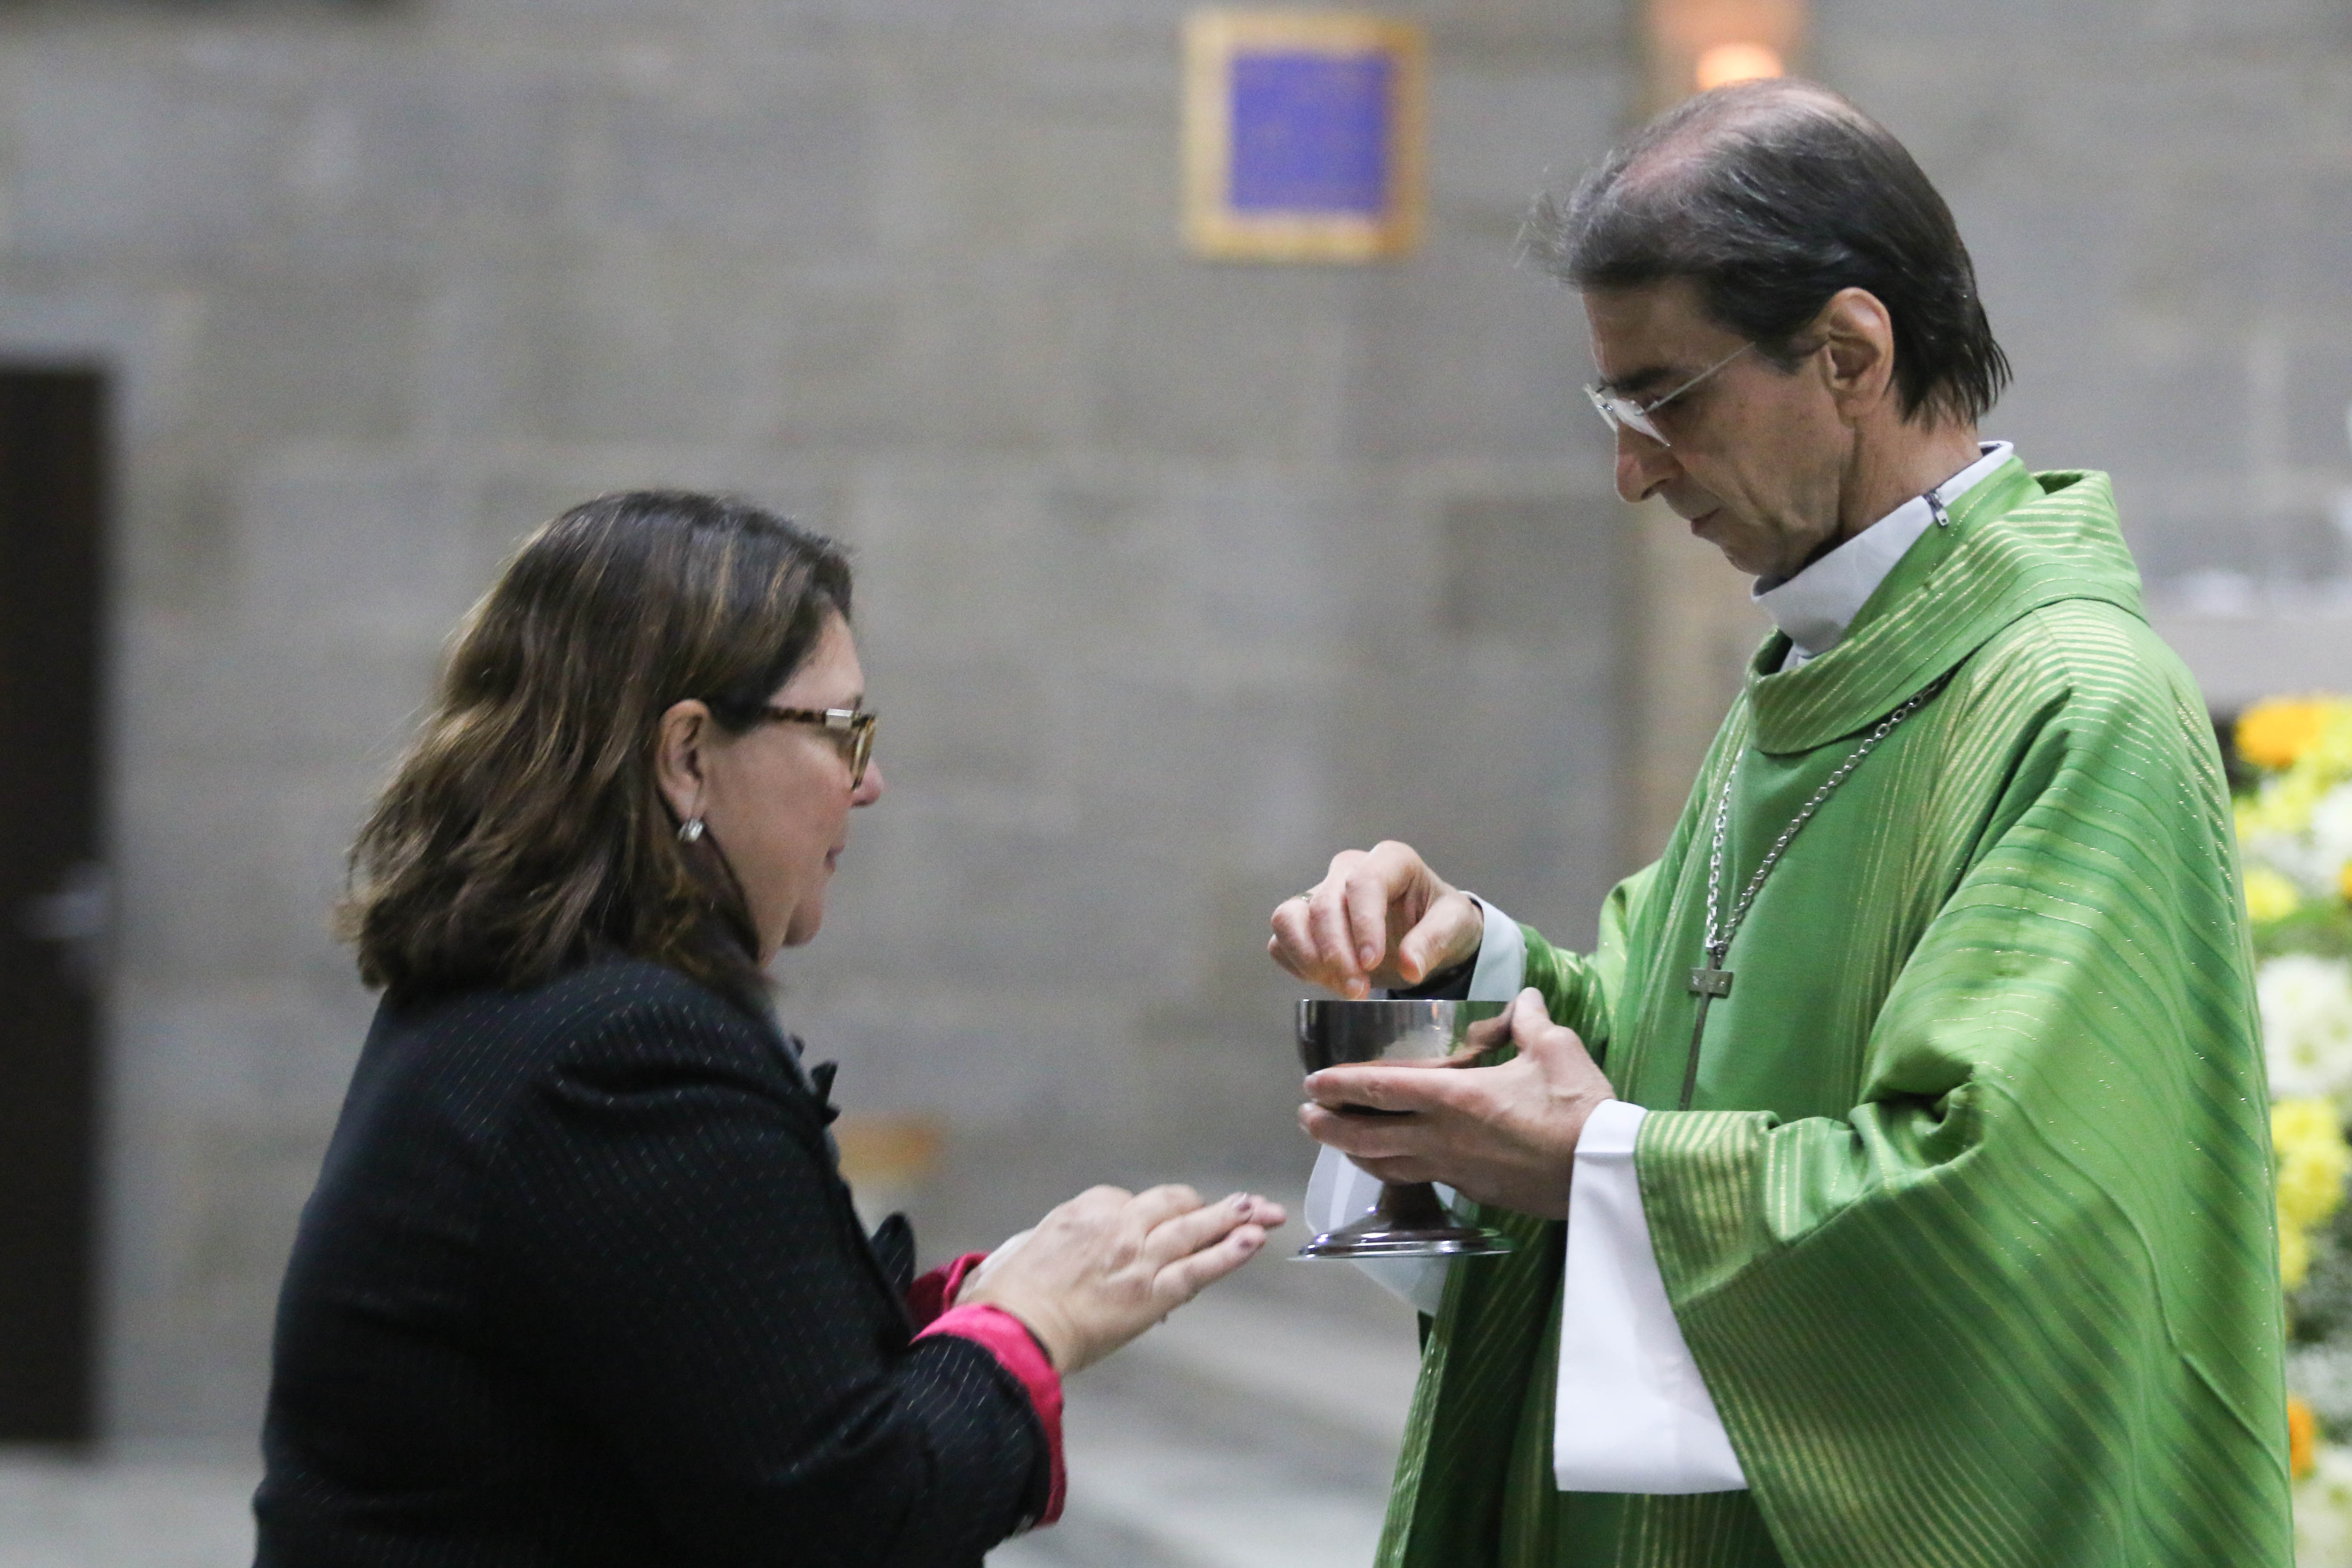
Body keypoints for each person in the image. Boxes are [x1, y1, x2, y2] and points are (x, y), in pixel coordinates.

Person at [1268, 80, 2289, 1568]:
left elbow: (1993, 1214)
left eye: (1668, 401)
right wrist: (1467, 967)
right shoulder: (1816, 674)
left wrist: (1601, 1166)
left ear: (1850, 353)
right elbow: (1668, 1041)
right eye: (1615, 412)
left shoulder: (2079, 703)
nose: (1633, 472)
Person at [255, 490, 1285, 1566]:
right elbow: (853, 1522)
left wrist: (991, 1304)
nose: (870, 783)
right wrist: (1034, 1325)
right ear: (689, 756)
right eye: (843, 731)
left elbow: (722, 1392)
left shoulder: (530, 1003)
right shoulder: (625, 1056)